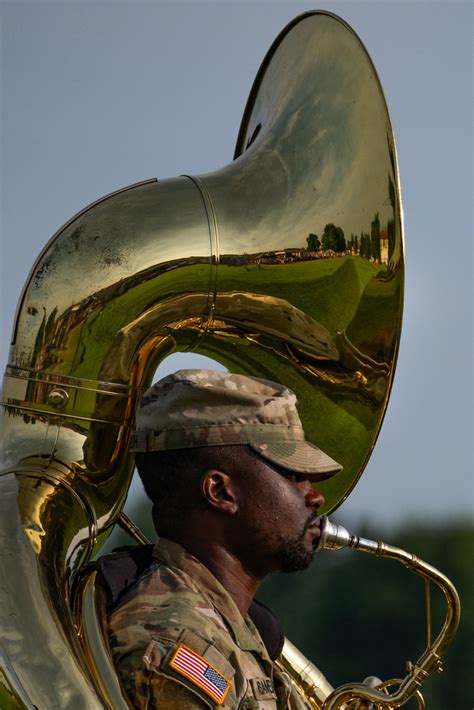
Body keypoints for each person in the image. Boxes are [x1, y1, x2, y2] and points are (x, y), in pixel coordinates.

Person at [106, 369, 342, 708]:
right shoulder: (178, 644)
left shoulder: (234, 629)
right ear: (221, 492)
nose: (315, 497)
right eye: (293, 476)